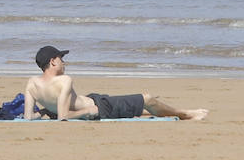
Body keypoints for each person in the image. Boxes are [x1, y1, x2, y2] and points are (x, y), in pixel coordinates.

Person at [22, 47, 206, 121]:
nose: (64, 63)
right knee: (147, 98)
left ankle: (171, 109)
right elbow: (64, 116)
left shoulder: (32, 83)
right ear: (53, 62)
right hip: (99, 107)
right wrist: (89, 112)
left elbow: (28, 117)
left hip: (95, 100)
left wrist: (46, 111)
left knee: (139, 106)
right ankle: (186, 114)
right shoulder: (64, 80)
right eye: (62, 59)